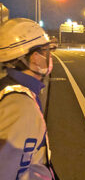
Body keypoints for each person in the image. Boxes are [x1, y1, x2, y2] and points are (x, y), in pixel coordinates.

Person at [0, 18, 58, 179]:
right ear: (34, 57)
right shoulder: (20, 106)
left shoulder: (11, 90)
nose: (49, 56)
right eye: (46, 51)